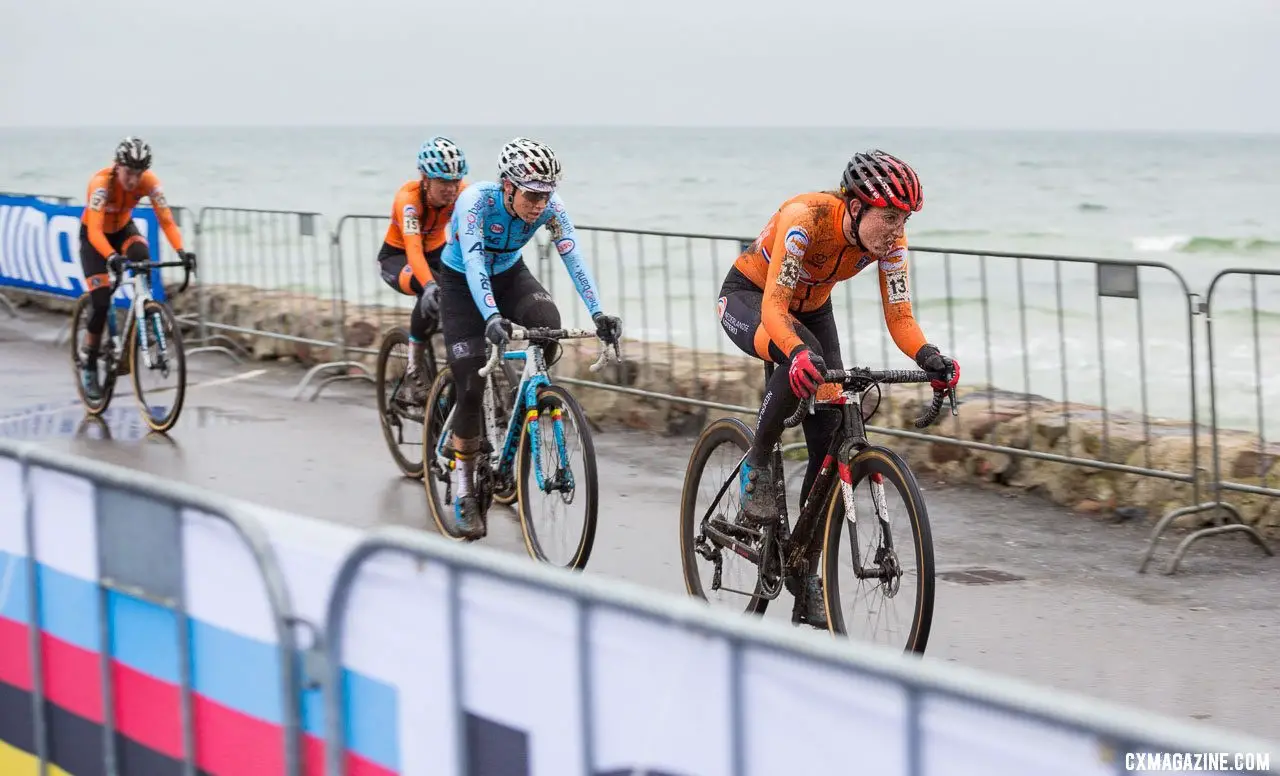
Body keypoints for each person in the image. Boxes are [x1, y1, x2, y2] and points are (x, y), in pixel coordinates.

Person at [716, 148, 958, 625]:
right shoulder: (805, 219)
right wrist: (797, 352)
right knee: (802, 357)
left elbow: (901, 316)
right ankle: (760, 462)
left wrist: (930, 357)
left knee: (829, 434)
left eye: (903, 219)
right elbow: (775, 310)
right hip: (752, 300)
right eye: (888, 216)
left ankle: (804, 574)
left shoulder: (891, 244)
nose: (895, 229)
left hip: (813, 311)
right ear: (854, 206)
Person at [436, 137, 623, 537]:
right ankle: (464, 485)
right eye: (532, 195)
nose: (539, 204)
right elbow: (472, 262)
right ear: (507, 185)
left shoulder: (551, 209)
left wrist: (598, 313)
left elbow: (573, 256)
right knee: (469, 384)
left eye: (546, 195)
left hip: (508, 274)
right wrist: (489, 316)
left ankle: (529, 400)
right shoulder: (476, 202)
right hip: (461, 281)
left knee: (547, 322)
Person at [78, 136, 196, 400]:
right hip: (94, 238)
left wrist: (181, 251)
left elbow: (166, 220)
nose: (133, 180)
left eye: (138, 173)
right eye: (129, 172)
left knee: (142, 254)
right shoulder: (100, 184)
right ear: (117, 166)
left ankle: (146, 312)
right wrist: (110, 255)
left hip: (122, 229)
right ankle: (89, 361)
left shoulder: (149, 183)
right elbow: (96, 232)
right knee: (100, 302)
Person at [377, 136, 469, 404]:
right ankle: (414, 369)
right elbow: (413, 250)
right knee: (432, 289)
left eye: (455, 181)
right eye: (443, 182)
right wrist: (429, 285)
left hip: (436, 252)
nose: (451, 189)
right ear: (425, 178)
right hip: (398, 257)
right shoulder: (408, 199)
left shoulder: (463, 192)